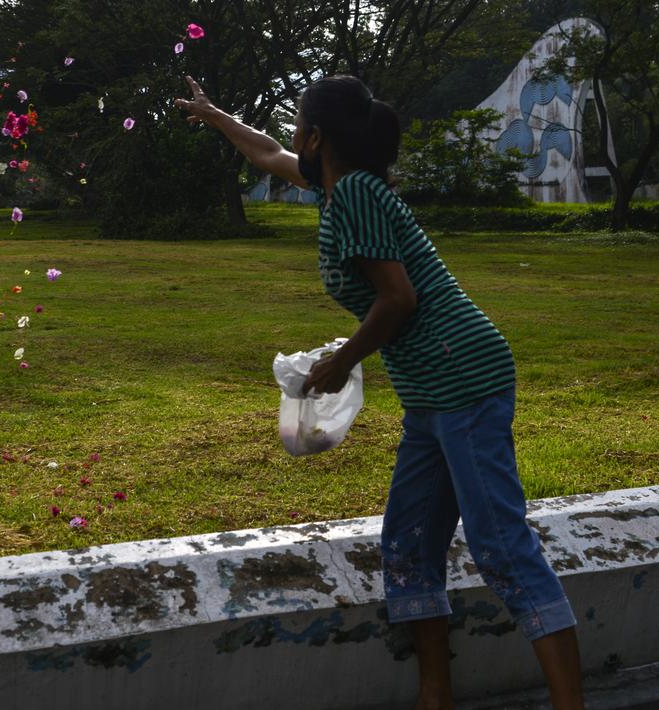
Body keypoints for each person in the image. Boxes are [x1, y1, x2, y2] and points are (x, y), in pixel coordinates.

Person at [175, 75, 583, 709]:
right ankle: (434, 696)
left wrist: (340, 361)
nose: (288, 136)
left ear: (316, 137)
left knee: (501, 547)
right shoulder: (338, 186)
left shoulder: (357, 194)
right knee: (408, 543)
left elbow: (398, 299)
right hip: (430, 390)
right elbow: (263, 152)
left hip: (463, 375)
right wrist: (213, 115)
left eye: (297, 125)